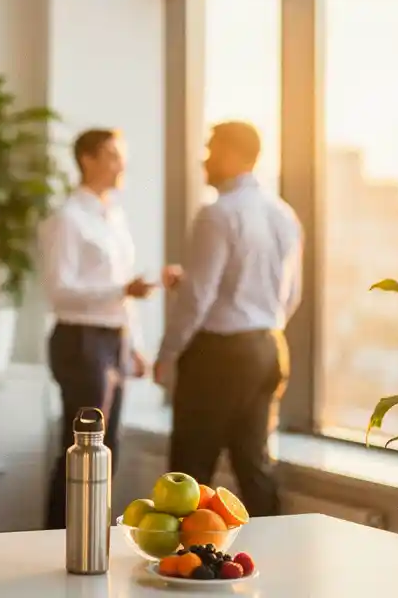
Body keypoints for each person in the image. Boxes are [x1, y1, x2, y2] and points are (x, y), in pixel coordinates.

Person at [154, 121, 302, 517]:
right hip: (268, 348)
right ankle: (277, 562)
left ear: (235, 154)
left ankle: (182, 567)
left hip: (218, 356)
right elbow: (289, 294)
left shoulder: (217, 215)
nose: (205, 158)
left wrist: (167, 353)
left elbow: (198, 297)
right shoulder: (283, 213)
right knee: (253, 463)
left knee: (189, 470)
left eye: (212, 148)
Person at [38, 128, 182, 529]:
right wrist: (123, 289)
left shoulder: (113, 216)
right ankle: (59, 537)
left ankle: (90, 535)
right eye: (113, 155)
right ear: (88, 158)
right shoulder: (68, 218)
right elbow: (59, 291)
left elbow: (121, 290)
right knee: (81, 448)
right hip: (80, 341)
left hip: (112, 339)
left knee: (108, 447)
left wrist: (133, 344)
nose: (122, 165)